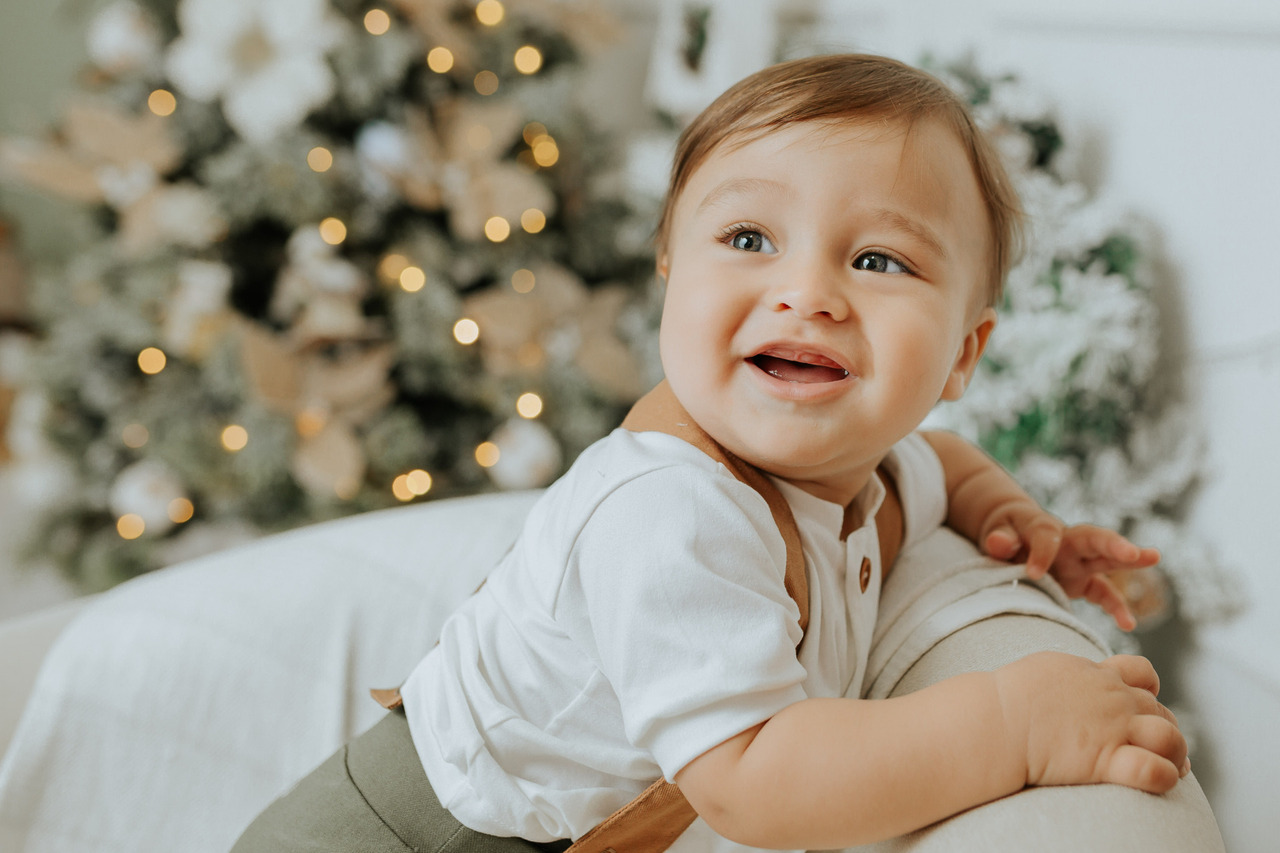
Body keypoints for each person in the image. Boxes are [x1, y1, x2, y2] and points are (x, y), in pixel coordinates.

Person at [231, 54, 1185, 853]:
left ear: (960, 357)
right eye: (747, 237)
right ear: (670, 277)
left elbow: (946, 465)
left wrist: (1018, 523)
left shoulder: (873, 473)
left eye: (878, 260)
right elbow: (756, 780)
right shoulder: (669, 509)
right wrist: (1014, 724)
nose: (807, 291)